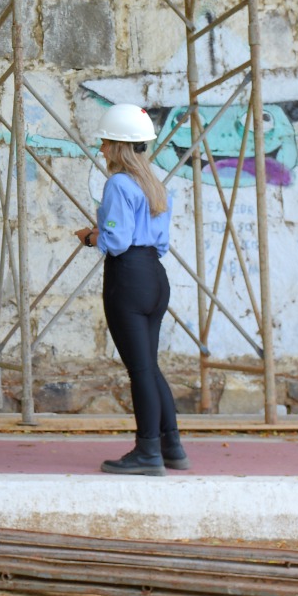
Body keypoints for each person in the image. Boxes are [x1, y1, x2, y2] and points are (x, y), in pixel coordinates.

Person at [74, 103, 189, 476]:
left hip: (128, 278)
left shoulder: (118, 184)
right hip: (155, 276)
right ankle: (170, 445)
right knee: (149, 366)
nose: (102, 149)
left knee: (139, 370)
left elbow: (118, 240)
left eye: (105, 143)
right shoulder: (155, 185)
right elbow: (158, 242)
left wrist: (93, 237)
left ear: (118, 146)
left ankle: (147, 451)